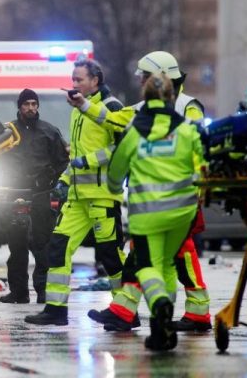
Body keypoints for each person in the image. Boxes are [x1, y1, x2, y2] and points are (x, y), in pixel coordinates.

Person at [82, 51, 212, 332]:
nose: (139, 80)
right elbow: (114, 118)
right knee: (148, 256)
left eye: (143, 75)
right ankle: (126, 311)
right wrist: (83, 105)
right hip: (170, 203)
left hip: (176, 200)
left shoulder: (188, 108)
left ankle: (190, 313)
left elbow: (198, 147)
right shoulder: (145, 109)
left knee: (178, 257)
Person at [25, 59, 127, 326]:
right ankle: (56, 310)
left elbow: (121, 148)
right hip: (78, 197)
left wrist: (89, 161)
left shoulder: (111, 107)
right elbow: (77, 157)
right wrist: (65, 179)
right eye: (73, 79)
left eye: (79, 79)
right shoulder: (77, 111)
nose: (74, 84)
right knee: (58, 248)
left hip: (103, 195)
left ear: (95, 80)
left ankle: (125, 311)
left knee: (111, 256)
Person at [105, 72, 202, 350]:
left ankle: (159, 304)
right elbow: (201, 165)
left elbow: (115, 174)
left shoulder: (135, 132)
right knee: (168, 265)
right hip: (182, 213)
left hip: (147, 214)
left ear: (145, 98)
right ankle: (163, 330)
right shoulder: (185, 129)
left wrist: (116, 186)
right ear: (172, 97)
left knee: (147, 266)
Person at [0, 89, 69, 304]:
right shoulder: (8, 133)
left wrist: (58, 188)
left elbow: (62, 163)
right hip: (14, 194)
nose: (31, 108)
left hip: (41, 194)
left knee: (42, 245)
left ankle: (43, 291)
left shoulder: (49, 132)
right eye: (26, 104)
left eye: (34, 104)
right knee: (17, 246)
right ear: (19, 106)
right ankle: (19, 292)